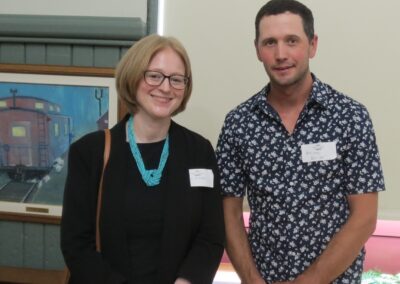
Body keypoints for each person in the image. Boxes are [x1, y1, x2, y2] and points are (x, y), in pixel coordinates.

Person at [216, 0, 385, 283]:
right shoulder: (238, 124)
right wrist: (251, 279)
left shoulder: (350, 117)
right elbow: (228, 214)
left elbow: (364, 218)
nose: (281, 54)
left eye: (291, 40)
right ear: (257, 50)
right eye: (270, 42)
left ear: (312, 45)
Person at [61, 34, 225, 284]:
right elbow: (76, 245)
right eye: (154, 75)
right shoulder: (90, 153)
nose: (166, 87)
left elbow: (210, 236)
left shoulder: (199, 151)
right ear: (133, 77)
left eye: (177, 79)